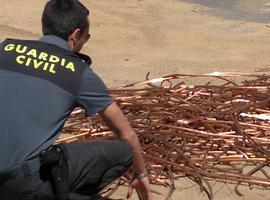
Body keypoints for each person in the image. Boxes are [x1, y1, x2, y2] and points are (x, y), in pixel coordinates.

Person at [0, 0, 153, 199]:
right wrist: (141, 173)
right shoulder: (79, 73)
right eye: (86, 37)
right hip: (21, 183)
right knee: (124, 152)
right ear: (75, 35)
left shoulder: (6, 49)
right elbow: (128, 136)